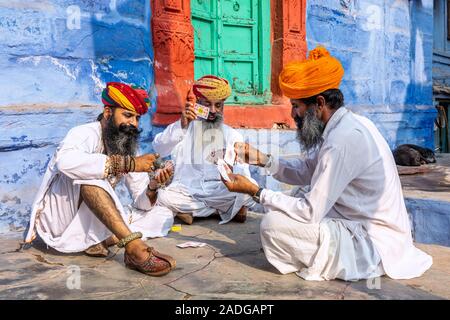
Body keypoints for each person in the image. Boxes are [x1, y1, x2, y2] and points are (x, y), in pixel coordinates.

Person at [221, 46, 433, 281]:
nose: (293, 114)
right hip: (358, 223)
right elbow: (306, 171)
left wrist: (255, 191)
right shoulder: (343, 126)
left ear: (319, 103)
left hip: (374, 242)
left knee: (272, 225)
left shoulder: (342, 140)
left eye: (296, 106)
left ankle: (320, 258)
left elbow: (310, 212)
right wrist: (263, 160)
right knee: (294, 196)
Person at [24, 82, 176, 277]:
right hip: (60, 220)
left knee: (163, 215)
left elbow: (142, 202)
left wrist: (153, 186)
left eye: (137, 118)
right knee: (91, 177)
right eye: (127, 115)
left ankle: (99, 239)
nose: (134, 124)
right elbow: (65, 162)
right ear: (107, 112)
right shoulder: (84, 132)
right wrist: (128, 164)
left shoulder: (126, 146)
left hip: (90, 216)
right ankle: (133, 247)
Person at [152, 75, 256, 225]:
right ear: (198, 104)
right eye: (207, 104)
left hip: (219, 191)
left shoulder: (233, 135)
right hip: (187, 192)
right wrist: (181, 126)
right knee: (162, 196)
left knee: (249, 190)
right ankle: (220, 211)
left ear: (223, 106)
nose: (213, 110)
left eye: (218, 105)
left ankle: (193, 213)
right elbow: (159, 148)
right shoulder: (184, 128)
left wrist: (239, 188)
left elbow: (242, 173)